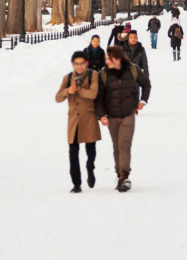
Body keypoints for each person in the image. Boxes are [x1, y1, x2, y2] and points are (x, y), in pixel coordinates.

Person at [95, 46, 151, 192]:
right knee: (116, 146)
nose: (106, 61)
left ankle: (124, 176)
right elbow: (98, 97)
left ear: (117, 59)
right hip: (112, 116)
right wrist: (101, 115)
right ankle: (119, 171)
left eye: (109, 59)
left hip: (128, 114)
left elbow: (146, 84)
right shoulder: (103, 74)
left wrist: (143, 101)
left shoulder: (133, 70)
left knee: (124, 145)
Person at [56, 51, 101, 193]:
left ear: (86, 64)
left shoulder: (93, 75)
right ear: (72, 64)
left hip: (88, 117)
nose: (79, 66)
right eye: (76, 64)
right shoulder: (68, 78)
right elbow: (57, 98)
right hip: (74, 120)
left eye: (82, 63)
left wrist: (79, 90)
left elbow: (93, 93)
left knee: (90, 150)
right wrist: (68, 91)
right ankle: (76, 183)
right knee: (73, 152)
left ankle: (90, 167)